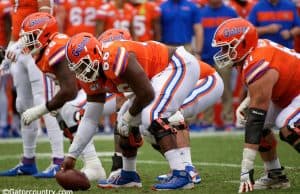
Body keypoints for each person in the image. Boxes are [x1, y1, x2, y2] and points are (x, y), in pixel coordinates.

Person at [62, 31, 200, 190]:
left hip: (177, 64)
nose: (82, 72)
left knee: (152, 114)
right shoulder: (92, 74)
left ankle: (181, 174)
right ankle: (129, 175)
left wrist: (129, 118)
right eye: (78, 69)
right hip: (156, 78)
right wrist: (72, 156)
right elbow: (90, 119)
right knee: (122, 120)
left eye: (83, 65)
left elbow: (146, 93)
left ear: (96, 53)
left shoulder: (112, 56)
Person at [9, 12, 107, 181]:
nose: (28, 42)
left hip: (103, 86)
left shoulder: (55, 47)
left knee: (70, 110)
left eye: (31, 36)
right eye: (26, 38)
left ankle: (93, 164)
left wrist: (41, 109)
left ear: (46, 33)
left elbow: (70, 91)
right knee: (65, 118)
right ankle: (90, 163)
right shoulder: (43, 50)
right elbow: (63, 81)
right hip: (90, 87)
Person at [212, 18, 299, 193]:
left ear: (242, 43)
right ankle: (275, 175)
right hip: (289, 93)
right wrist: (246, 103)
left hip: (295, 93)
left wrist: (246, 166)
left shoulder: (258, 62)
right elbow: (263, 87)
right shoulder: (252, 52)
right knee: (254, 121)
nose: (222, 52)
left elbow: (256, 120)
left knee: (286, 124)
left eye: (226, 47)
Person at [0, 0, 65, 178]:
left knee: (45, 103)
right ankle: (28, 160)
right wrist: (11, 48)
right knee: (23, 105)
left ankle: (58, 160)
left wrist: (20, 44)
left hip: (37, 49)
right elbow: (16, 23)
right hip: (20, 50)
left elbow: (45, 21)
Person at [198, 0, 238, 130]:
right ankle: (207, 121)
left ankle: (228, 120)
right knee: (207, 90)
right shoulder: (201, 12)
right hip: (206, 56)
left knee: (226, 90)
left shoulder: (230, 12)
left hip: (224, 56)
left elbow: (237, 35)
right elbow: (197, 34)